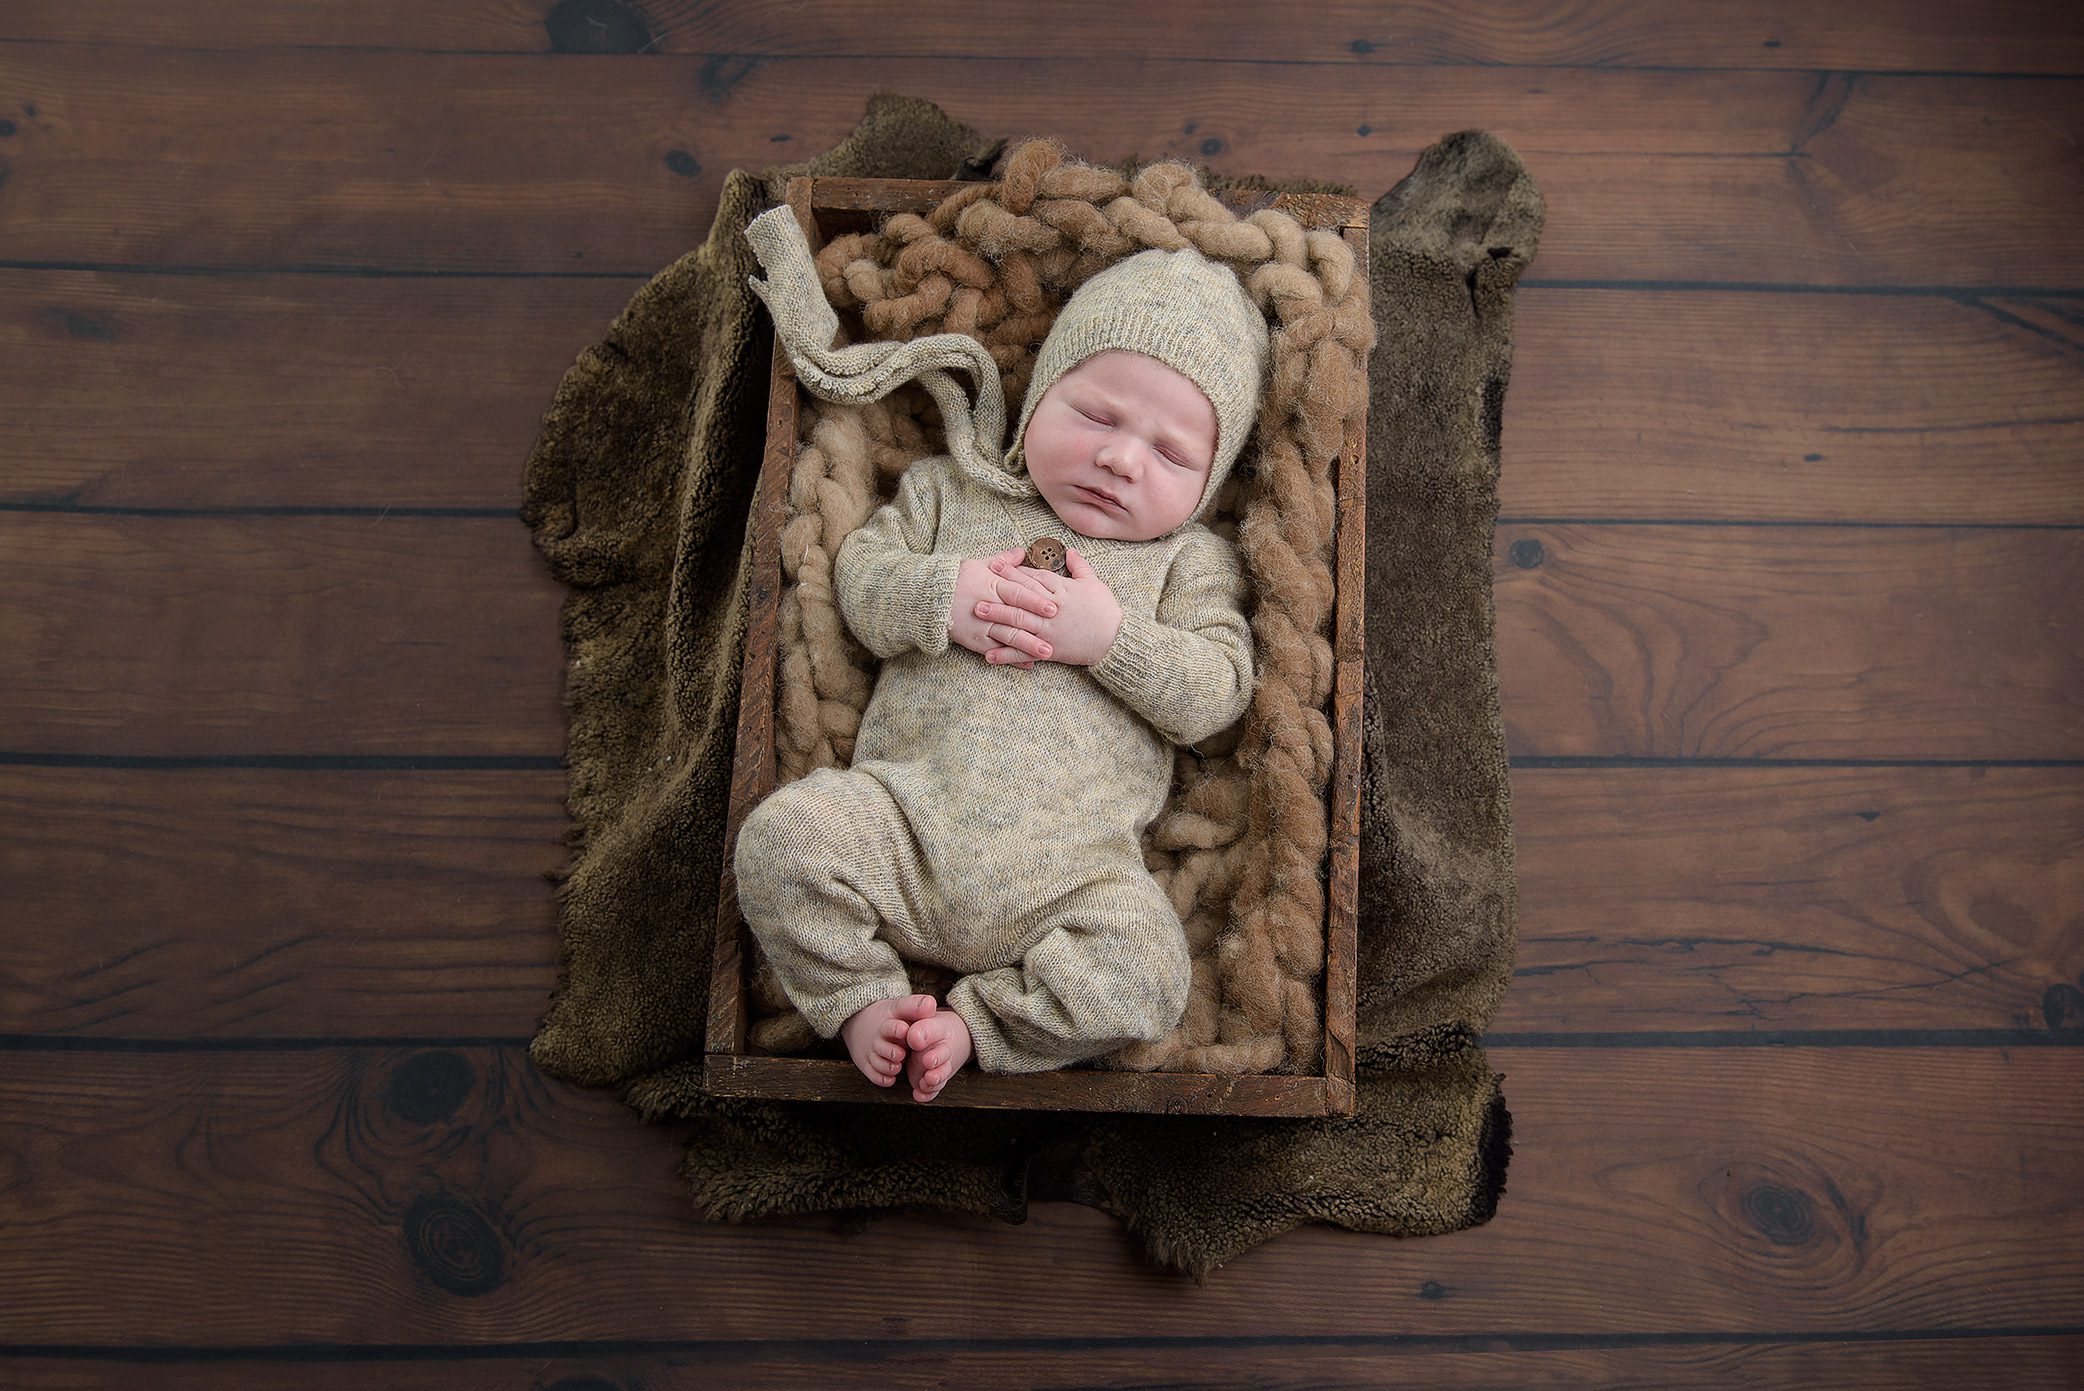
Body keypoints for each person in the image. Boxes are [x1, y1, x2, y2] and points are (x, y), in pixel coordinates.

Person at [732, 204, 1268, 1102]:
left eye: (1172, 454)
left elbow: (1218, 693)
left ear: (1210, 482)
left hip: (1071, 878)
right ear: (1040, 396)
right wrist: (946, 596)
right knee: (779, 841)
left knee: (1150, 971)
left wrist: (1110, 639)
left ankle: (979, 1023)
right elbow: (861, 581)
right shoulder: (954, 491)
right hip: (903, 820)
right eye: (1095, 414)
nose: (1122, 460)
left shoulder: (1188, 561)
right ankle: (861, 996)